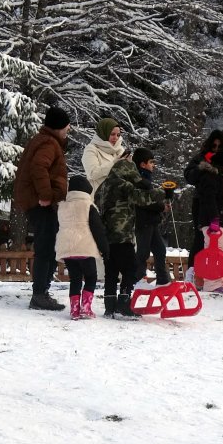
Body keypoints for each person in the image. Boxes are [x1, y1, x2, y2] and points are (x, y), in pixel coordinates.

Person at [13, 106, 70, 311]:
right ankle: (39, 294)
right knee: (46, 248)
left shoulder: (45, 140)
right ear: (58, 127)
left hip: (38, 202)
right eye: (66, 126)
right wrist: (46, 196)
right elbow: (39, 167)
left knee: (50, 246)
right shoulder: (49, 143)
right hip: (41, 204)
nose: (68, 130)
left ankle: (42, 292)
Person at [98, 159, 164, 319]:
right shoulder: (122, 184)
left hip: (107, 236)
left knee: (111, 271)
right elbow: (140, 198)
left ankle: (109, 306)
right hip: (122, 234)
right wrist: (161, 192)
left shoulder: (104, 185)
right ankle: (124, 303)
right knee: (131, 268)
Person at [183, 129, 223, 281]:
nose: (215, 149)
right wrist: (203, 166)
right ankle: (192, 272)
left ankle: (212, 273)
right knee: (200, 238)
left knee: (221, 238)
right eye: (213, 145)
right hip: (201, 201)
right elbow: (189, 176)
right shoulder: (201, 157)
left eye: (219, 146)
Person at [55, 175, 109, 320]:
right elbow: (97, 229)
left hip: (67, 249)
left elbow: (57, 226)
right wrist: (104, 249)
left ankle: (74, 311)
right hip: (85, 248)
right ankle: (86, 308)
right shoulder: (88, 206)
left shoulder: (62, 206)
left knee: (75, 279)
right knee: (91, 277)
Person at [193, 150, 223, 293]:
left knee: (220, 253)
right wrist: (214, 220)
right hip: (214, 222)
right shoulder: (211, 177)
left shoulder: (221, 177)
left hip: (221, 221)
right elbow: (209, 200)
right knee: (214, 253)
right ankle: (212, 285)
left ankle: (217, 282)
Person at [132, 148, 172, 287]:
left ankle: (162, 279)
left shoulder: (146, 177)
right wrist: (161, 207)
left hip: (151, 220)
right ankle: (138, 279)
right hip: (143, 221)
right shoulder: (139, 179)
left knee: (160, 250)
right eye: (151, 162)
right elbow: (143, 202)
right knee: (143, 252)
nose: (153, 165)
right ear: (143, 164)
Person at [82, 117, 125, 199]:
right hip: (100, 198)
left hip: (118, 198)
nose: (115, 137)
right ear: (103, 133)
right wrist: (113, 163)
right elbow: (92, 173)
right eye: (112, 134)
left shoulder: (119, 149)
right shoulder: (91, 149)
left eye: (118, 135)